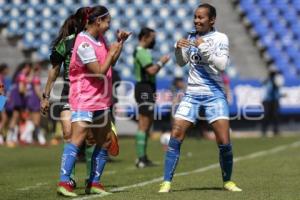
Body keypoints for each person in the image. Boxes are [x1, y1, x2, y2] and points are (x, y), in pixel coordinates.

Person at [159, 3, 242, 193]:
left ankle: (228, 181)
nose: (196, 20)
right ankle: (166, 182)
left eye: (201, 17)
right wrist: (178, 49)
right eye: (195, 17)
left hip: (215, 95)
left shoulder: (220, 38)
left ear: (211, 20)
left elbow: (221, 65)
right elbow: (181, 63)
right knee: (176, 135)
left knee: (223, 141)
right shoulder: (190, 37)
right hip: (192, 95)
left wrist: (203, 47)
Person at [56, 5, 131, 197]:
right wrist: (113, 51)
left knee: (104, 141)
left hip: (101, 99)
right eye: (107, 22)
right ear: (98, 21)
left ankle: (94, 182)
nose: (109, 26)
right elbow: (98, 72)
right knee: (78, 138)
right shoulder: (83, 43)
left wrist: (119, 44)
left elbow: (110, 62)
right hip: (84, 98)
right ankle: (64, 182)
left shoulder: (101, 39)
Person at [41, 7, 91, 187]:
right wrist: (45, 96)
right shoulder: (67, 43)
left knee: (91, 137)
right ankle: (68, 179)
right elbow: (54, 70)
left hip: (91, 93)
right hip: (69, 92)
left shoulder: (97, 42)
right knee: (68, 133)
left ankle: (92, 180)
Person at [133, 27, 170, 168]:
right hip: (144, 88)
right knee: (143, 123)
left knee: (147, 124)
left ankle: (143, 157)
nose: (154, 41)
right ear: (144, 38)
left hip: (147, 88)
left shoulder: (144, 52)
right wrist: (162, 62)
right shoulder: (141, 52)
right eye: (152, 38)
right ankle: (140, 158)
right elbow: (151, 70)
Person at [6, 62, 32, 147]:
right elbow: (21, 89)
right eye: (28, 68)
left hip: (13, 98)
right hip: (17, 99)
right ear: (25, 67)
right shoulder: (22, 75)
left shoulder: (17, 75)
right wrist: (26, 93)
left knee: (14, 118)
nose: (29, 70)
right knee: (14, 118)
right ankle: (9, 138)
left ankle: (12, 138)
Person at [261, 67, 284, 136]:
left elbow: (278, 85)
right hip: (267, 100)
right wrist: (269, 78)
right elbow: (263, 84)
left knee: (275, 115)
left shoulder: (277, 79)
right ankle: (264, 130)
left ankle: (275, 130)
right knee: (266, 115)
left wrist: (274, 79)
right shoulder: (267, 79)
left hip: (275, 100)